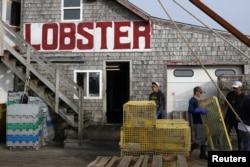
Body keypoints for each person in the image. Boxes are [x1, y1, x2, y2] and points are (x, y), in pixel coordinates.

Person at [222, 81, 245, 151]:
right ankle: (226, 148)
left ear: (240, 88)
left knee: (240, 136)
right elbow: (225, 104)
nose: (234, 89)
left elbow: (245, 108)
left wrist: (240, 115)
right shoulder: (230, 94)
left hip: (238, 119)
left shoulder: (244, 97)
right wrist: (220, 111)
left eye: (236, 88)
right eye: (233, 88)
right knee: (226, 133)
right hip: (229, 117)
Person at [188, 86, 208, 160]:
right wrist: (200, 110)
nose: (201, 94)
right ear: (196, 92)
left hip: (202, 122)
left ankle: (203, 154)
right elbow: (190, 110)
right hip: (198, 122)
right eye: (200, 92)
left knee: (205, 139)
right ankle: (189, 150)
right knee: (200, 139)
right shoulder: (192, 100)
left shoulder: (198, 100)